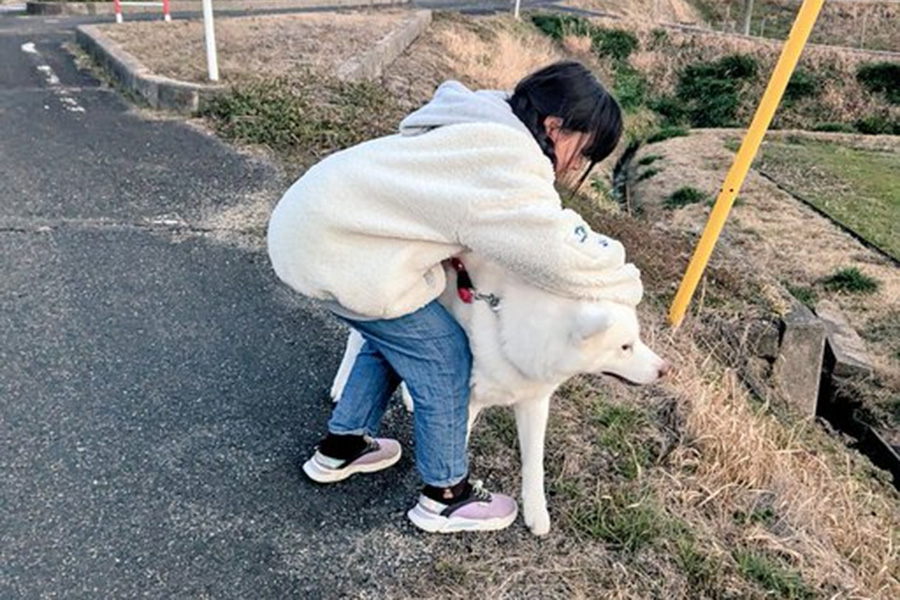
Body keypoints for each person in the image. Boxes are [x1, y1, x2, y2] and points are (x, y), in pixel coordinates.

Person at [267, 60, 642, 533]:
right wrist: (626, 282)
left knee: (394, 333)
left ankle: (341, 448)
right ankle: (446, 496)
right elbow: (552, 254)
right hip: (341, 250)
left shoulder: (483, 117)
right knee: (444, 355)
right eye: (583, 152)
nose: (575, 167)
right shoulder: (507, 161)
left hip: (314, 226)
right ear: (555, 128)